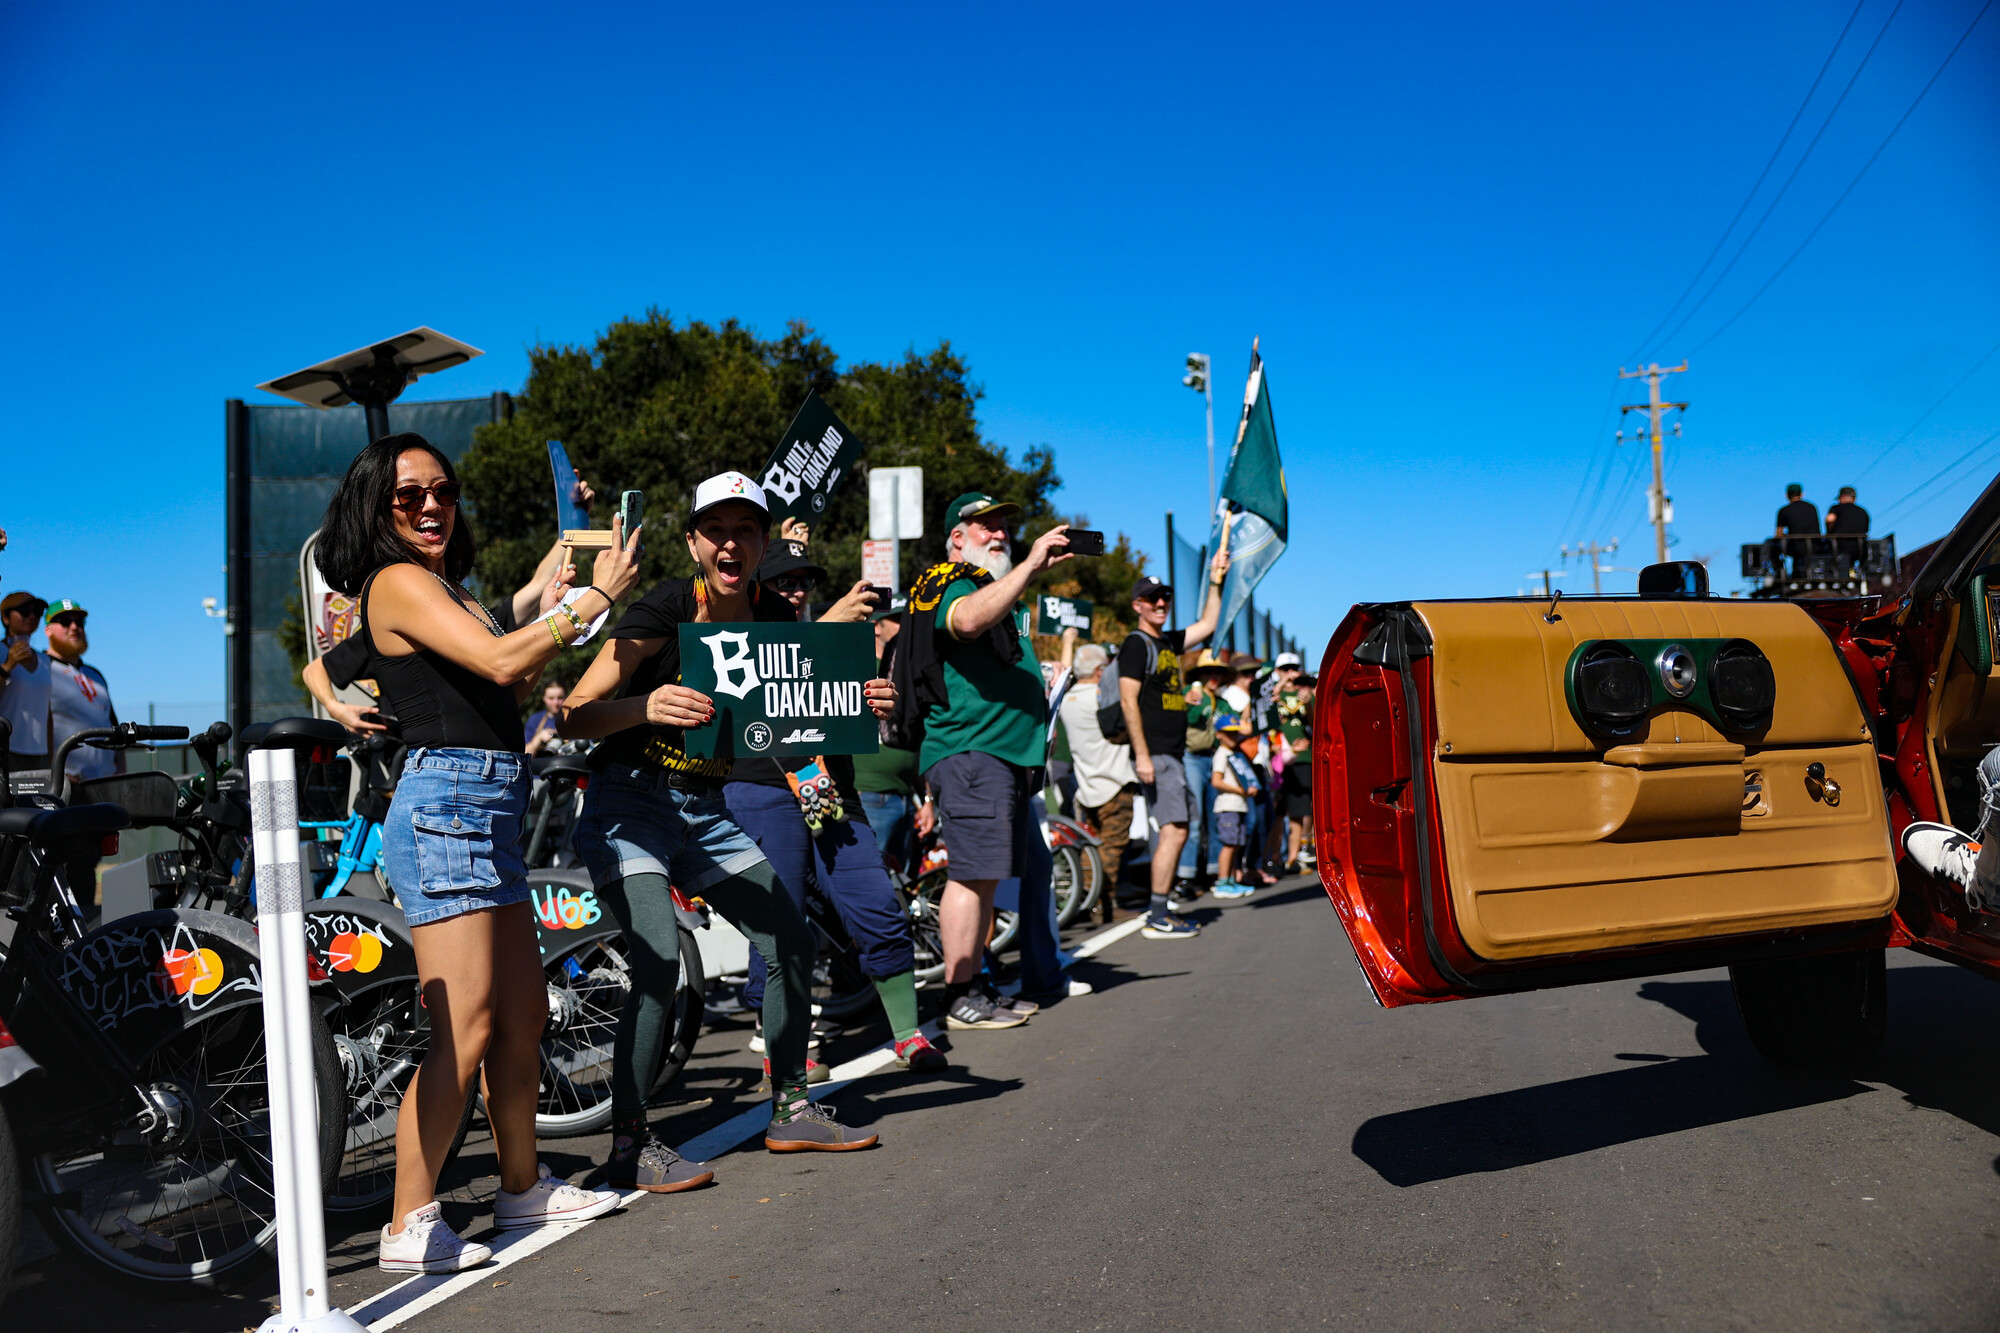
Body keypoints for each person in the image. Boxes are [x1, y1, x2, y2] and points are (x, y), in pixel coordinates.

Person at [314, 433, 642, 1273]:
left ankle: (520, 1190)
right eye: (408, 494)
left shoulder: (447, 589)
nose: (431, 505)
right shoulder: (396, 582)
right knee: (460, 1028)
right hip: (446, 808)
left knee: (522, 1015)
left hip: (488, 803)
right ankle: (408, 1223)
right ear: (375, 508)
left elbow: (507, 672)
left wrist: (565, 592)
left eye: (443, 489)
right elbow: (500, 656)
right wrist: (590, 601)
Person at [559, 471, 883, 1180]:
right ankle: (628, 1147)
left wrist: (852, 702)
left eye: (746, 530)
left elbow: (790, 731)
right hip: (630, 804)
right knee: (657, 958)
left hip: (707, 810)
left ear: (765, 542)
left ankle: (792, 1107)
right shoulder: (666, 605)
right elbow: (574, 712)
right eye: (717, 530)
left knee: (791, 939)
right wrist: (646, 706)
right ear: (693, 541)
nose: (731, 543)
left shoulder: (775, 620)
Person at [903, 492, 1078, 1030]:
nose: (999, 533)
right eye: (984, 526)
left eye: (1003, 525)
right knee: (971, 876)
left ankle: (977, 982)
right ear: (957, 538)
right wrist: (1029, 566)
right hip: (972, 752)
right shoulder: (950, 580)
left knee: (984, 880)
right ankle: (960, 995)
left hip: (998, 757)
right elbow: (967, 623)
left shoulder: (991, 588)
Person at [1116, 552, 1231, 941]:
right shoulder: (1135, 644)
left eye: (1165, 597)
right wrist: (1143, 754)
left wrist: (1216, 580)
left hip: (1171, 753)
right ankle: (1158, 913)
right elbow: (1129, 700)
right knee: (1175, 829)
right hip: (1158, 754)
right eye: (1153, 599)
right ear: (1138, 606)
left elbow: (1209, 623)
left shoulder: (1166, 641)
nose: (1161, 603)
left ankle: (1160, 909)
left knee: (1178, 828)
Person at [1060, 643, 1139, 923]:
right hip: (1114, 782)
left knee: (1091, 849)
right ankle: (1104, 904)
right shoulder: (1100, 697)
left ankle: (1088, 900)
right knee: (1112, 848)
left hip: (1086, 785)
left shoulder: (1067, 700)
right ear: (1098, 670)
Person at [44, 599, 118, 788]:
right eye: (65, 622)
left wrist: (121, 771)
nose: (74, 627)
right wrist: (53, 773)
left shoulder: (95, 675)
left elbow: (113, 728)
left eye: (79, 622)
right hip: (67, 783)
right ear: (48, 630)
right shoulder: (40, 669)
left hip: (106, 781)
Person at [1175, 651, 1231, 890]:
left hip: (1214, 758)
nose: (1213, 676)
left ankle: (1214, 871)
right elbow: (1182, 717)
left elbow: (1235, 722)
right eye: (1208, 671)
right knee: (1195, 818)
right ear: (1199, 674)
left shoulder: (1223, 701)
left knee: (1216, 815)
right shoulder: (1190, 693)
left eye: (1217, 671)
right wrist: (1190, 704)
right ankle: (1186, 876)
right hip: (1192, 758)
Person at [1271, 653, 1314, 874]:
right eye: (1285, 668)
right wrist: (1279, 686)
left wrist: (1309, 704)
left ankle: (1293, 858)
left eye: (1294, 667)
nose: (1290, 672)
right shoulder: (1272, 693)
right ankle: (1273, 857)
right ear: (1277, 671)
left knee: (1297, 811)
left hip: (1302, 759)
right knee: (1277, 811)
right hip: (1276, 760)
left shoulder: (1304, 694)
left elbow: (1314, 723)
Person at [1209, 716, 1260, 897]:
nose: (1233, 737)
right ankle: (1222, 882)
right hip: (1227, 805)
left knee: (1236, 845)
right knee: (1229, 844)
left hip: (1238, 805)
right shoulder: (1221, 754)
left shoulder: (1234, 754)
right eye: (1228, 733)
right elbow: (1216, 781)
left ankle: (1230, 880)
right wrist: (1240, 790)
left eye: (1235, 733)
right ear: (1219, 735)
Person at [0, 590, 50, 771]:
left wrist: (52, 756)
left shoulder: (45, 660)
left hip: (40, 754)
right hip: (6, 750)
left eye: (37, 611)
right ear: (5, 617)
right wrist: (7, 667)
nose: (31, 616)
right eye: (24, 611)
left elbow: (47, 712)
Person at [1771, 483, 1820, 576]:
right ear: (1802, 494)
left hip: (1796, 547)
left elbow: (1778, 534)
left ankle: (1779, 572)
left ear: (1786, 495)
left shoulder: (1784, 510)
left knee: (1771, 545)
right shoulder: (1812, 507)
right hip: (1815, 545)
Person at [524, 679, 567, 754]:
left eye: (560, 698)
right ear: (543, 698)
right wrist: (539, 738)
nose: (555, 703)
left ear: (566, 697)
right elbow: (525, 753)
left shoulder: (574, 719)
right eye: (551, 698)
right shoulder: (535, 720)